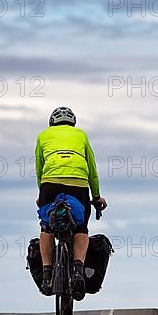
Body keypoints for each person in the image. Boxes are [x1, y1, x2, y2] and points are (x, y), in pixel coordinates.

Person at [35, 107, 107, 300]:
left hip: (49, 184)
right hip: (78, 183)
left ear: (52, 123)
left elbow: (39, 169)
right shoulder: (81, 135)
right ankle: (77, 271)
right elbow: (92, 169)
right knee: (81, 228)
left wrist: (41, 195)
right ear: (73, 123)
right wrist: (97, 195)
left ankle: (48, 274)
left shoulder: (43, 136)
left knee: (47, 228)